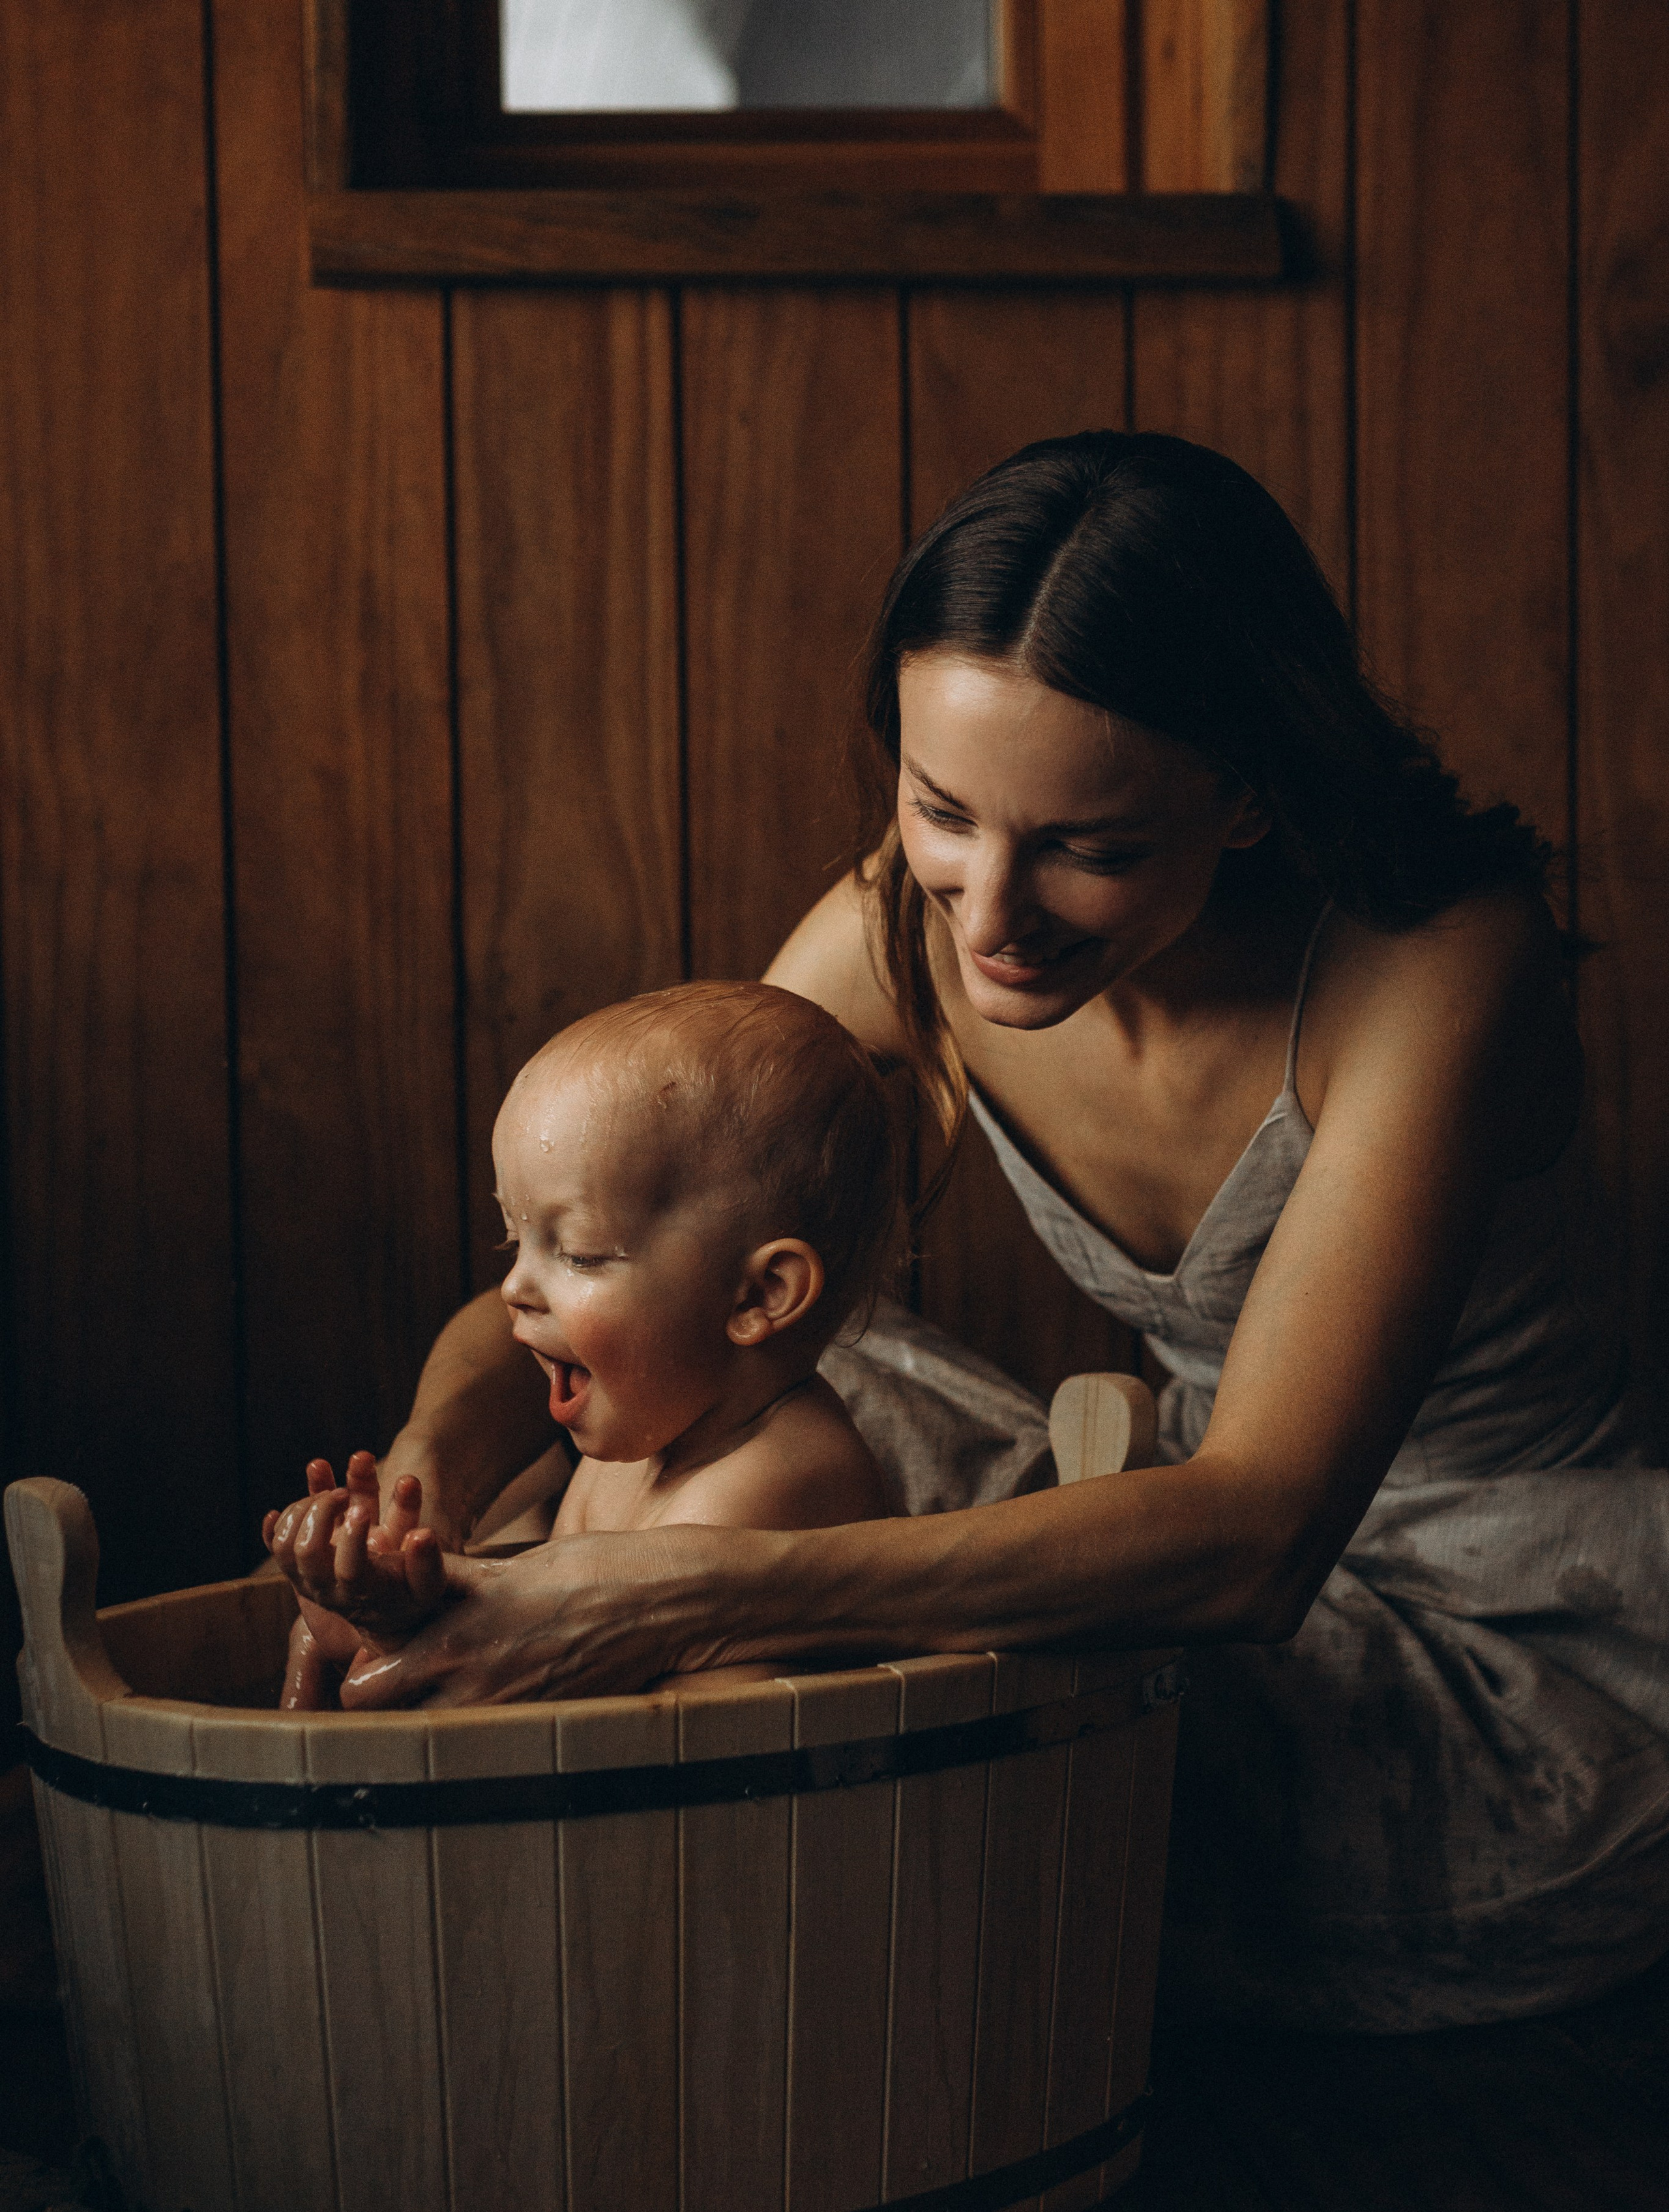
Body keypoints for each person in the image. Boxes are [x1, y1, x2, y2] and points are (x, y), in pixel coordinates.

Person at [287, 431, 1669, 2032]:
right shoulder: (913, 915)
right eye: (942, 808)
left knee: (780, 1462)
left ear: (1240, 794)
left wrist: (663, 1593)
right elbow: (620, 1246)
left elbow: (1257, 1536)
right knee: (701, 1337)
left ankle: (685, 1951)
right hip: (1183, 1543)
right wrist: (416, 1503)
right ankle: (528, 1849)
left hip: (1478, 1645)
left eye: (1088, 846)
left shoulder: (1434, 967)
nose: (988, 912)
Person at [265, 981, 893, 1706]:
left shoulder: (778, 1480)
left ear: (758, 1295)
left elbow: (664, 1759)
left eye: (583, 1253)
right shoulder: (651, 1441)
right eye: (515, 1239)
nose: (514, 1287)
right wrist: (386, 1602)